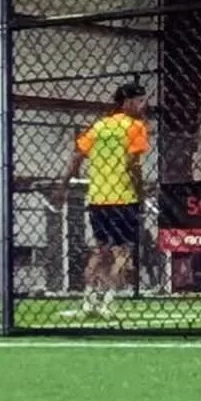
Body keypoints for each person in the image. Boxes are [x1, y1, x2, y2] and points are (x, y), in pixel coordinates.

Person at [59, 80, 149, 318]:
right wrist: (141, 191)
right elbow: (133, 164)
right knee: (123, 252)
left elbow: (77, 156)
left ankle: (88, 302)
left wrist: (63, 186)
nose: (143, 105)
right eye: (140, 101)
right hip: (123, 196)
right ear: (127, 102)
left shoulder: (99, 126)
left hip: (98, 197)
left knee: (100, 251)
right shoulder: (135, 126)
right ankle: (108, 302)